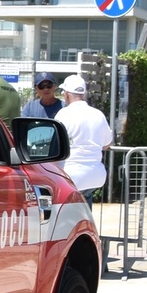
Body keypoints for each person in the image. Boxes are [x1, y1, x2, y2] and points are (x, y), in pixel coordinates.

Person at [56, 74, 113, 206]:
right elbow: (107, 143)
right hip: (96, 175)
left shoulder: (64, 114)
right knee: (85, 207)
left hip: (71, 174)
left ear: (67, 94)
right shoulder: (98, 114)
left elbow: (56, 144)